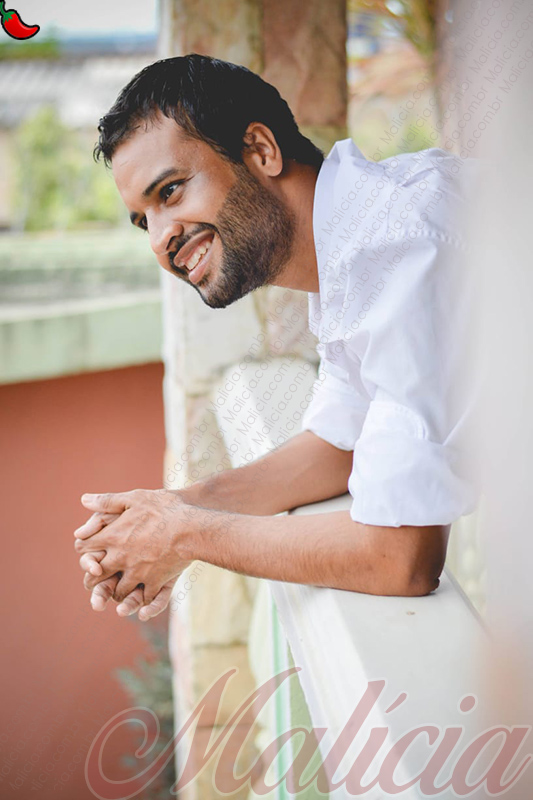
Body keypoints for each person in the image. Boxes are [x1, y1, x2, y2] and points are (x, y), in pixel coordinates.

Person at [74, 54, 477, 621]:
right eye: (144, 221)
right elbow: (340, 444)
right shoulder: (352, 242)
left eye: (170, 192)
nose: (160, 240)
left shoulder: (397, 248)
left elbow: (400, 557)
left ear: (261, 150)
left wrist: (183, 535)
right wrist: (169, 510)